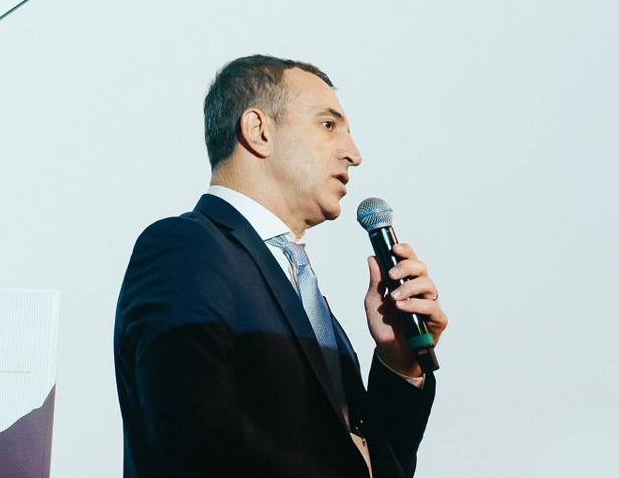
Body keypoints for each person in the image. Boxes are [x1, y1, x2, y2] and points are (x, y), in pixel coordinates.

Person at [113, 56, 447, 477]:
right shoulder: (185, 248)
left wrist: (399, 364)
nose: (354, 154)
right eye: (328, 124)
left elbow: (371, 463)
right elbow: (193, 430)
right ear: (259, 131)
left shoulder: (298, 283)